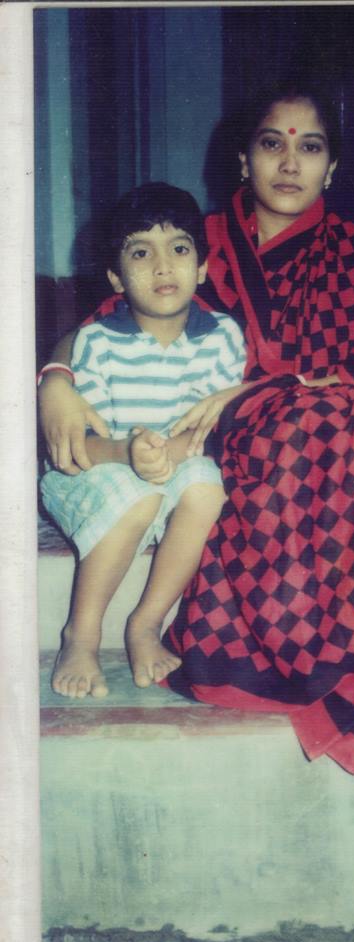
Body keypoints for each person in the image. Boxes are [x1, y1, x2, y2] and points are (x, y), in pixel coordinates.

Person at [38, 83, 354, 773]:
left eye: (310, 147)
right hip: (217, 429)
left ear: (332, 168)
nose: (290, 163)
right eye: (271, 144)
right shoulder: (193, 241)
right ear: (243, 160)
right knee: (302, 427)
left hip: (319, 410)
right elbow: (110, 318)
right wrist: (55, 377)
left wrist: (266, 387)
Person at [40, 182, 246, 698]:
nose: (162, 266)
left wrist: (164, 455)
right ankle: (81, 633)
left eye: (179, 248)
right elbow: (82, 446)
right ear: (115, 277)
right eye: (140, 253)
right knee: (138, 495)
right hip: (94, 470)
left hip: (174, 463)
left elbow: (210, 428)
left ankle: (146, 623)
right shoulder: (97, 342)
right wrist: (129, 455)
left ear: (202, 267)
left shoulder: (222, 336)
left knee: (207, 485)